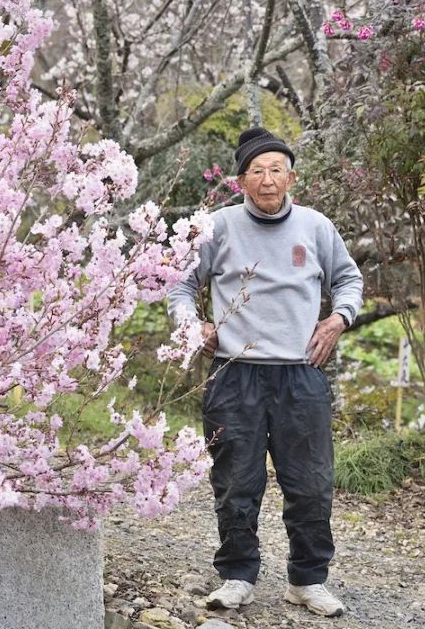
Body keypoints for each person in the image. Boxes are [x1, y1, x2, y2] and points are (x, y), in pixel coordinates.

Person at [166, 127, 363, 617]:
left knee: (311, 482)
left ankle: (307, 580)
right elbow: (179, 286)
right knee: (236, 479)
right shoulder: (219, 227)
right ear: (242, 181)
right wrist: (194, 328)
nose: (268, 180)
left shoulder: (317, 226)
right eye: (258, 171)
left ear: (291, 176)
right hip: (236, 375)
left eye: (277, 170)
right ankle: (237, 575)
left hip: (301, 375)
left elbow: (349, 279)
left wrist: (339, 319)